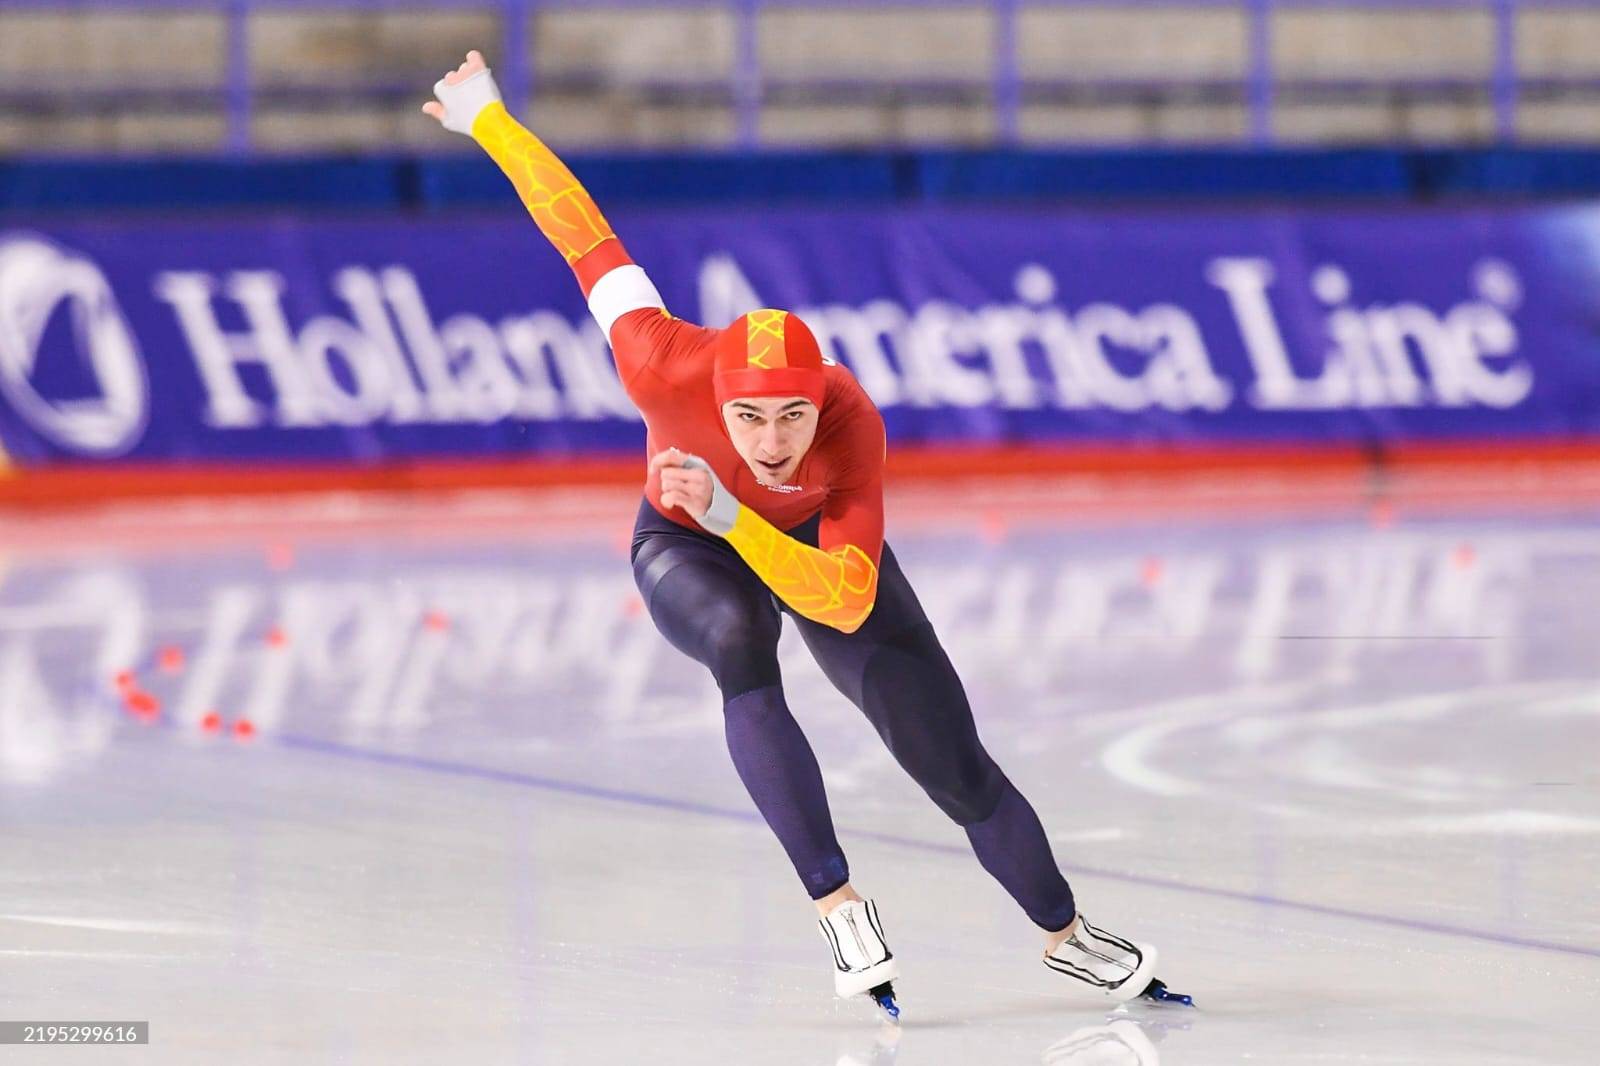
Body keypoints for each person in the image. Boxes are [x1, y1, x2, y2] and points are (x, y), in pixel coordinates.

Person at [423, 51, 1189, 1017]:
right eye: (753, 421)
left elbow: (840, 595)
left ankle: (1066, 935)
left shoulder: (853, 423)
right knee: (742, 646)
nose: (776, 441)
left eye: (793, 417)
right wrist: (488, 116)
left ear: (818, 395)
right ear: (719, 400)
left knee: (951, 761)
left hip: (804, 550)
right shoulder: (658, 358)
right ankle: (837, 904)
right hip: (686, 542)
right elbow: (578, 228)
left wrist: (738, 506)